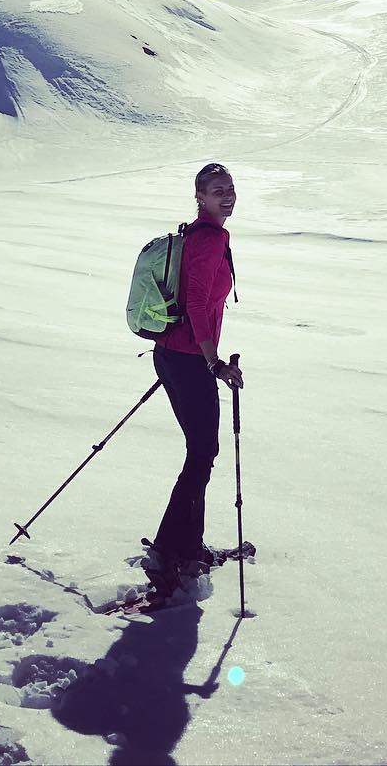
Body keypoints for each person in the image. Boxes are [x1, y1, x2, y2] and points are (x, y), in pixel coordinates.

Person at [142, 161, 243, 595]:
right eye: (218, 190)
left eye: (231, 188)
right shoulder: (209, 237)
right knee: (202, 453)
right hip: (186, 358)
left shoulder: (198, 234)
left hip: (173, 355)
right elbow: (198, 303)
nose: (228, 195)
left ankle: (185, 545)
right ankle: (173, 548)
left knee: (200, 453)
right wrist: (212, 362)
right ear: (200, 197)